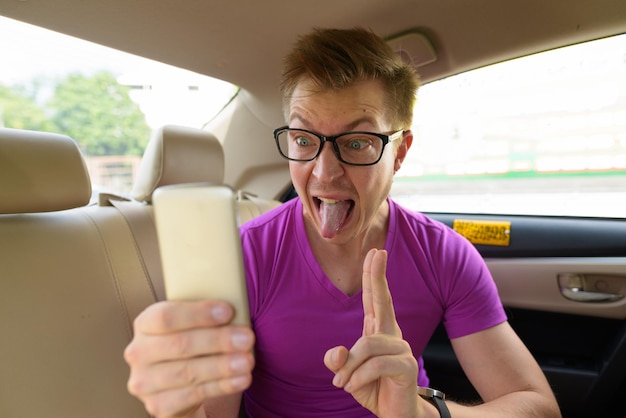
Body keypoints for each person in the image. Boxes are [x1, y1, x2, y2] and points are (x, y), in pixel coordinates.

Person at [124, 27, 561, 418]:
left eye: (356, 141)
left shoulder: (443, 254)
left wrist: (420, 414)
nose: (324, 172)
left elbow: (536, 406)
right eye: (303, 139)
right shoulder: (245, 256)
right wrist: (180, 408)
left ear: (400, 153)